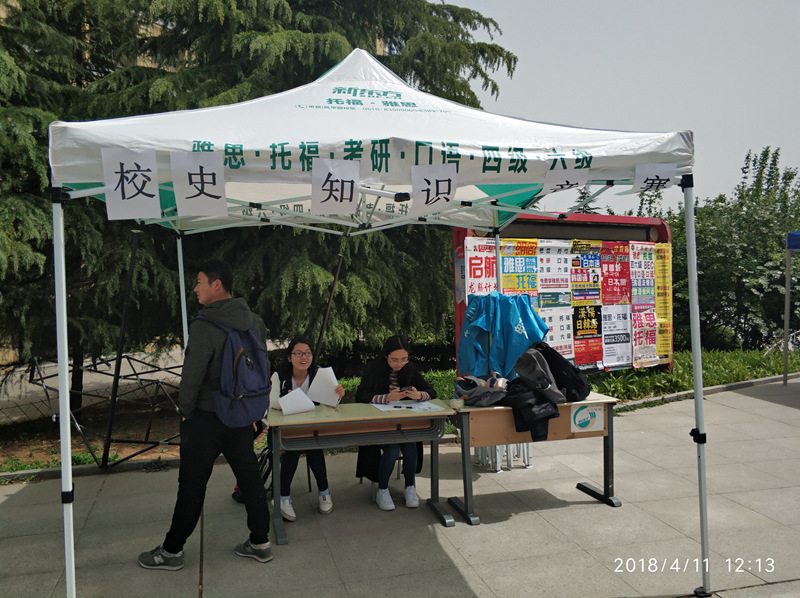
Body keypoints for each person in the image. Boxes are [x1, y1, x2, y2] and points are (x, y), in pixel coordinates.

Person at [138, 259, 273, 570]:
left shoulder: (205, 325)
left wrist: (186, 413)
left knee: (192, 484)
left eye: (199, 282)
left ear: (217, 284)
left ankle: (171, 552)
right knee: (250, 478)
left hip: (206, 417)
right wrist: (255, 410)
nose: (195, 288)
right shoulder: (254, 321)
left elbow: (192, 377)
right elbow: (260, 368)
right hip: (241, 414)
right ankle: (260, 542)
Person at [355, 335, 436, 511]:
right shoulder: (374, 368)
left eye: (404, 359)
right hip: (380, 423)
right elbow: (360, 395)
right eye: (394, 360)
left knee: (411, 447)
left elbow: (431, 391)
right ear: (386, 356)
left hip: (404, 423)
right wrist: (386, 398)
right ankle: (382, 490)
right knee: (392, 449)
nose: (399, 364)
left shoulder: (410, 368)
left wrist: (419, 395)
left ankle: (410, 487)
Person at [270, 336, 344, 521]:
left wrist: (338, 395)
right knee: (292, 449)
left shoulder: (319, 374)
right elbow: (272, 402)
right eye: (298, 353)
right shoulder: (279, 376)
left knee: (314, 448)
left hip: (312, 428)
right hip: (287, 429)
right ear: (289, 357)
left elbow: (330, 402)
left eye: (308, 353)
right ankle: (283, 497)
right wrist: (289, 400)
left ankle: (324, 492)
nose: (304, 357)